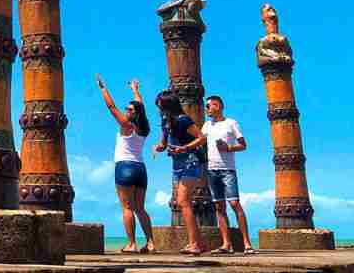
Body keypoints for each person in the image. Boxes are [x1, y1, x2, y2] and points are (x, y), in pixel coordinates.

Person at [96, 74, 155, 254]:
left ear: (134, 113)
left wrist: (103, 88)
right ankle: (151, 243)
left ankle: (131, 244)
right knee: (140, 208)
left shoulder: (126, 125)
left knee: (127, 207)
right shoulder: (144, 128)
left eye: (129, 110)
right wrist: (135, 90)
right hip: (140, 169)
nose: (127, 111)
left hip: (125, 167)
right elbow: (141, 107)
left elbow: (111, 107)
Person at [154, 90, 207, 255]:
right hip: (177, 164)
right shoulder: (165, 122)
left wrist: (185, 147)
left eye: (161, 106)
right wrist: (159, 147)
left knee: (184, 201)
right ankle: (198, 243)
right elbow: (164, 143)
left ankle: (194, 244)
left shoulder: (183, 120)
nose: (159, 109)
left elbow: (201, 137)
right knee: (183, 202)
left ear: (169, 106)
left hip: (191, 161)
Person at [203, 95, 255, 255]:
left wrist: (228, 148)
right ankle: (226, 244)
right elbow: (200, 141)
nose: (207, 109)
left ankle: (247, 243)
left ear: (217, 106)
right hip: (212, 169)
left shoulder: (231, 123)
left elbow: (243, 145)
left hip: (227, 169)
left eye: (209, 106)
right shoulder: (206, 125)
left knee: (234, 204)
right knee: (219, 207)